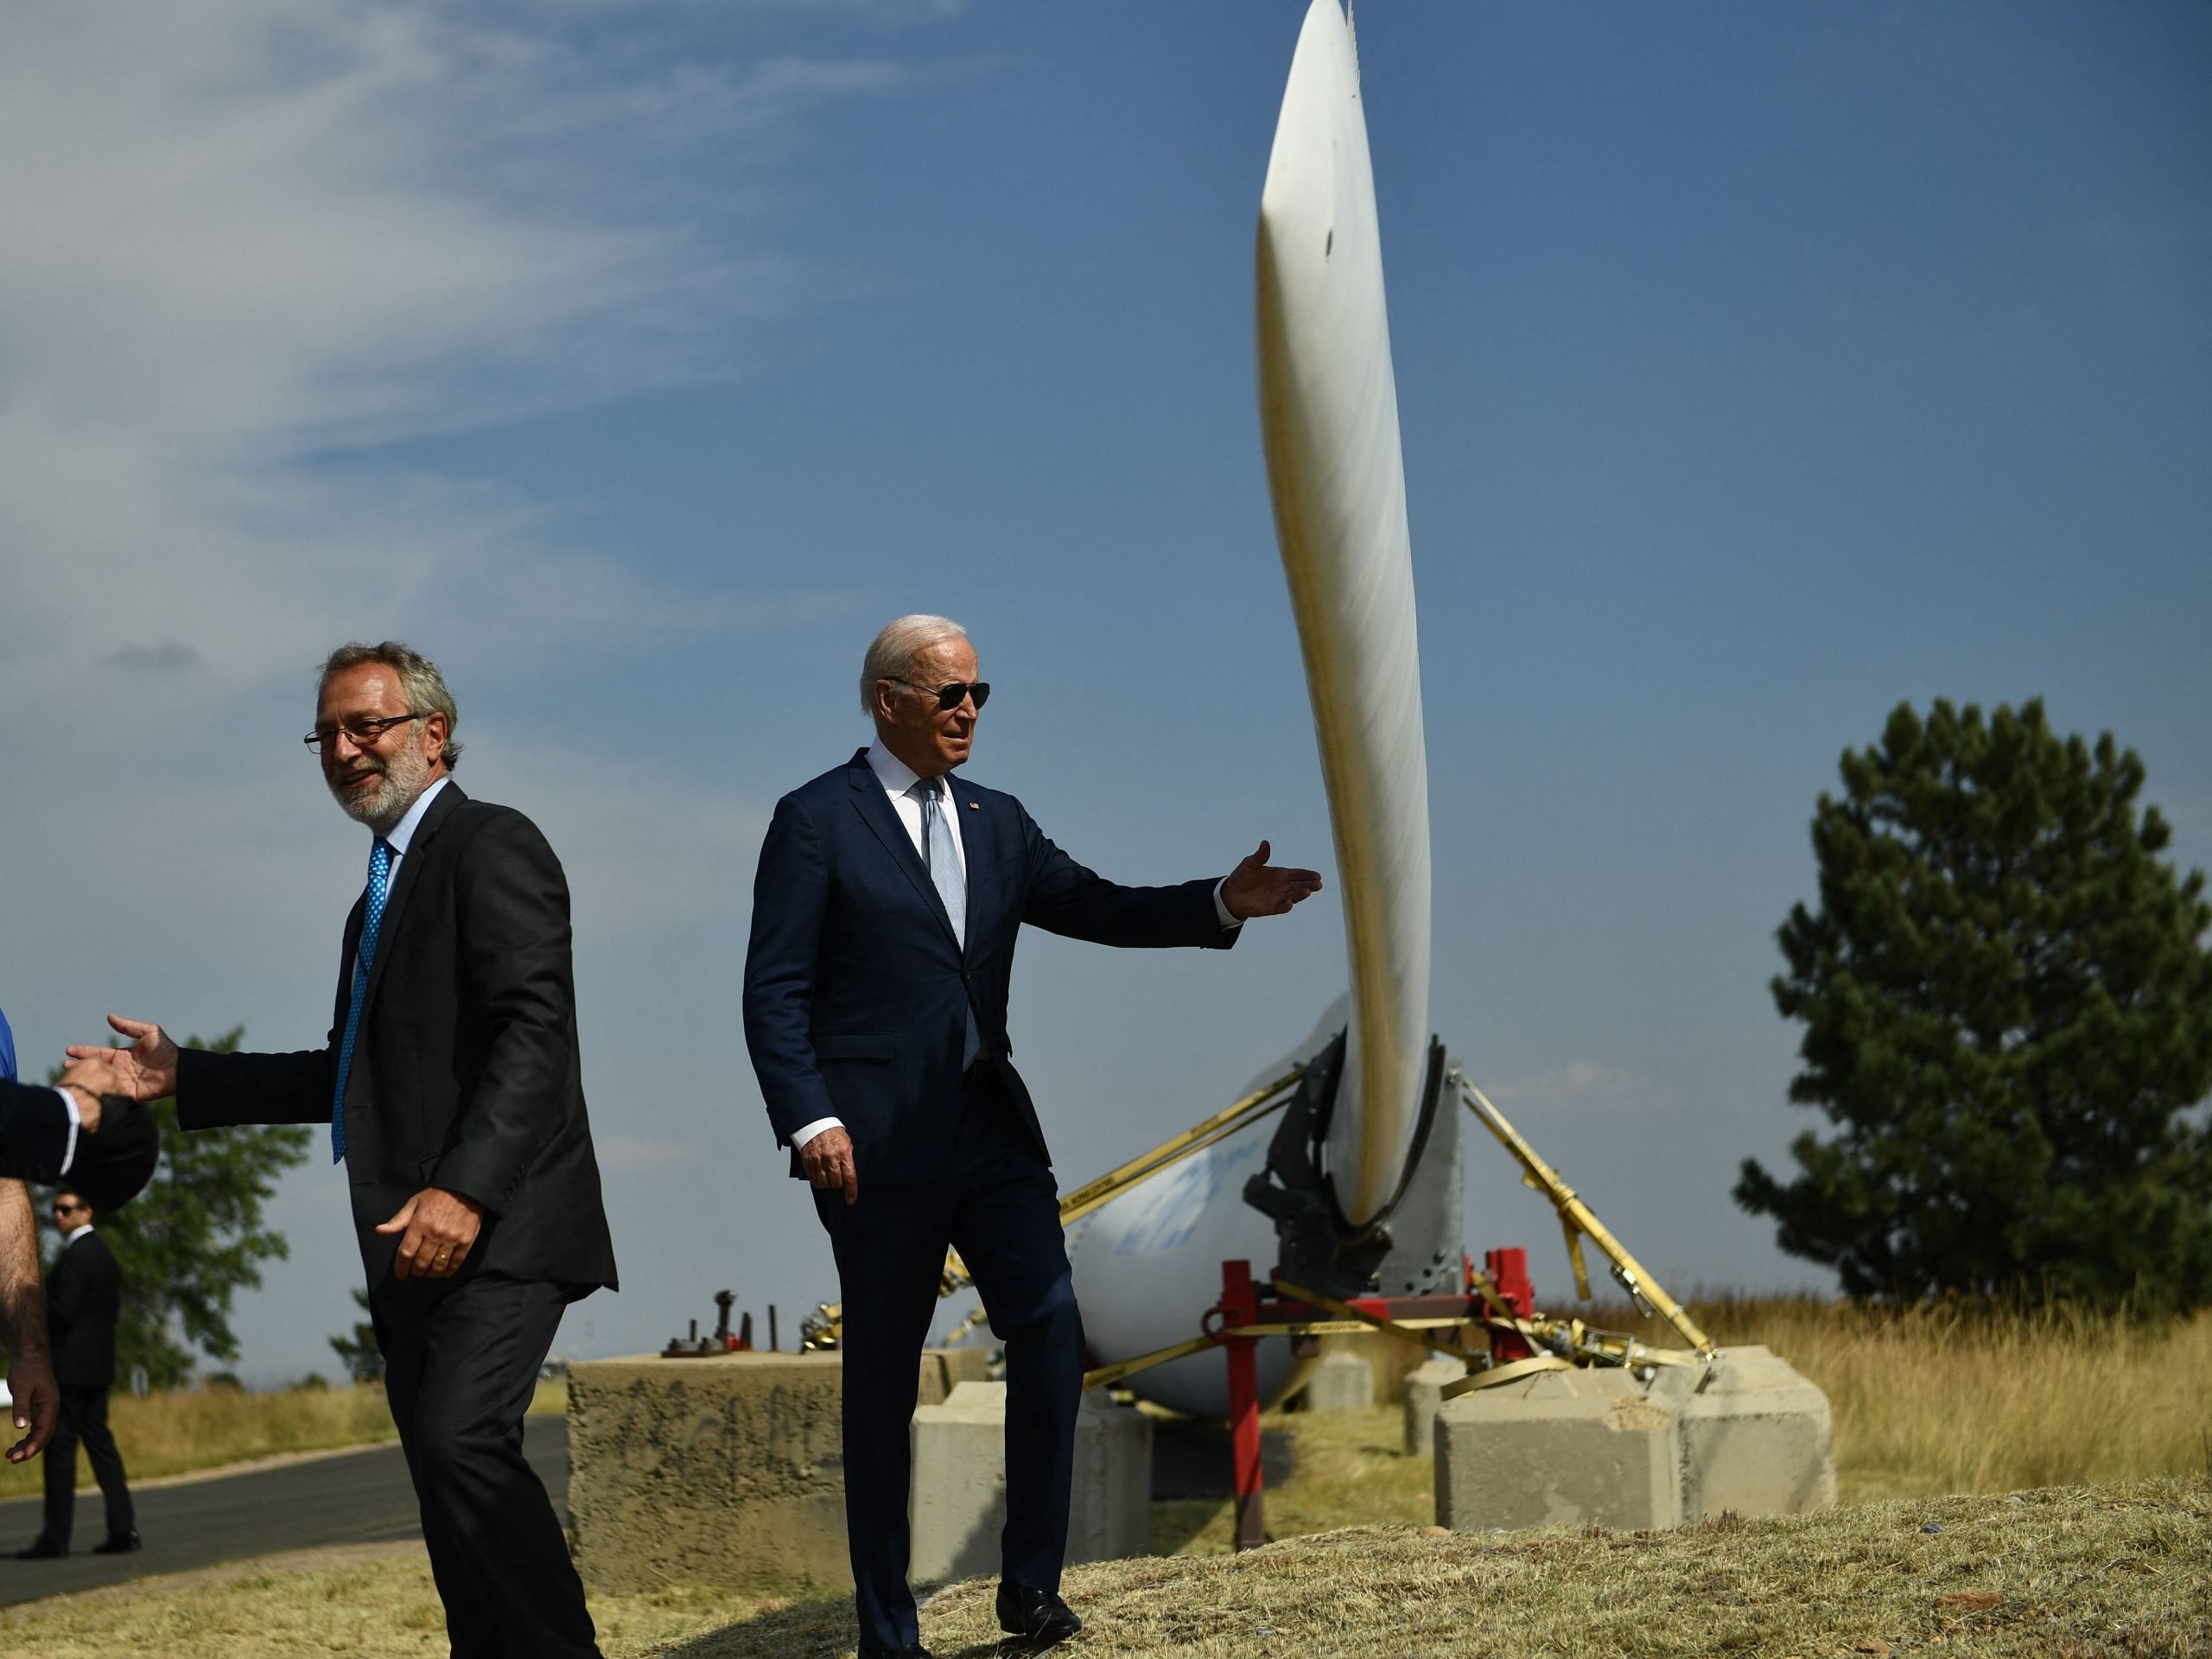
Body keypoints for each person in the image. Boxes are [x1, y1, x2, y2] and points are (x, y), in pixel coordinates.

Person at [743, 614, 1322, 1658]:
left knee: (1052, 1325)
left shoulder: (998, 821)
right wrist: (810, 1115)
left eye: (980, 694)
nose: (970, 710)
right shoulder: (815, 820)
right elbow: (773, 989)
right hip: (870, 1148)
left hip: (990, 1130)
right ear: (888, 702)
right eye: (949, 694)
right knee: (881, 1382)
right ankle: (888, 1630)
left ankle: (1029, 1589)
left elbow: (1094, 904)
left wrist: (1219, 903)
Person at [77, 641, 617, 1659]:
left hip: (498, 1226)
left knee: (465, 1447)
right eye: (326, 733)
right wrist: (186, 1074)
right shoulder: (372, 899)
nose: (344, 749)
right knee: (447, 1495)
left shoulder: (491, 844)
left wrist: (461, 1191)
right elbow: (351, 1071)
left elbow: (534, 1032)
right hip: (410, 1246)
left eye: (365, 726)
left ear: (432, 732)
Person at [11, 1185, 136, 1558]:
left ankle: (56, 1537)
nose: (58, 1215)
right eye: (56, 1209)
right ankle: (123, 1528)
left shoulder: (78, 1257)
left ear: (87, 1212)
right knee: (101, 1446)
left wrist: (29, 1325)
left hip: (70, 1370)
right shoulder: (103, 1256)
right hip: (98, 1366)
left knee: (60, 1450)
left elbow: (62, 1311)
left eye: (67, 1209)